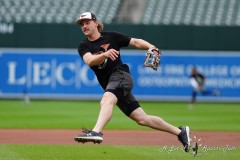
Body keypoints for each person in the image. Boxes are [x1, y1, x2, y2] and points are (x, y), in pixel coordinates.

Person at [74, 12, 191, 152]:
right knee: (142, 119)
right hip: (111, 84)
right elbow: (89, 61)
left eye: (87, 22)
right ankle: (180, 132)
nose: (84, 26)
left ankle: (96, 132)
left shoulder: (112, 37)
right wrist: (104, 54)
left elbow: (135, 41)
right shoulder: (84, 46)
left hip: (121, 75)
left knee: (106, 99)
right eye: (82, 24)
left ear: (96, 23)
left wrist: (151, 47)